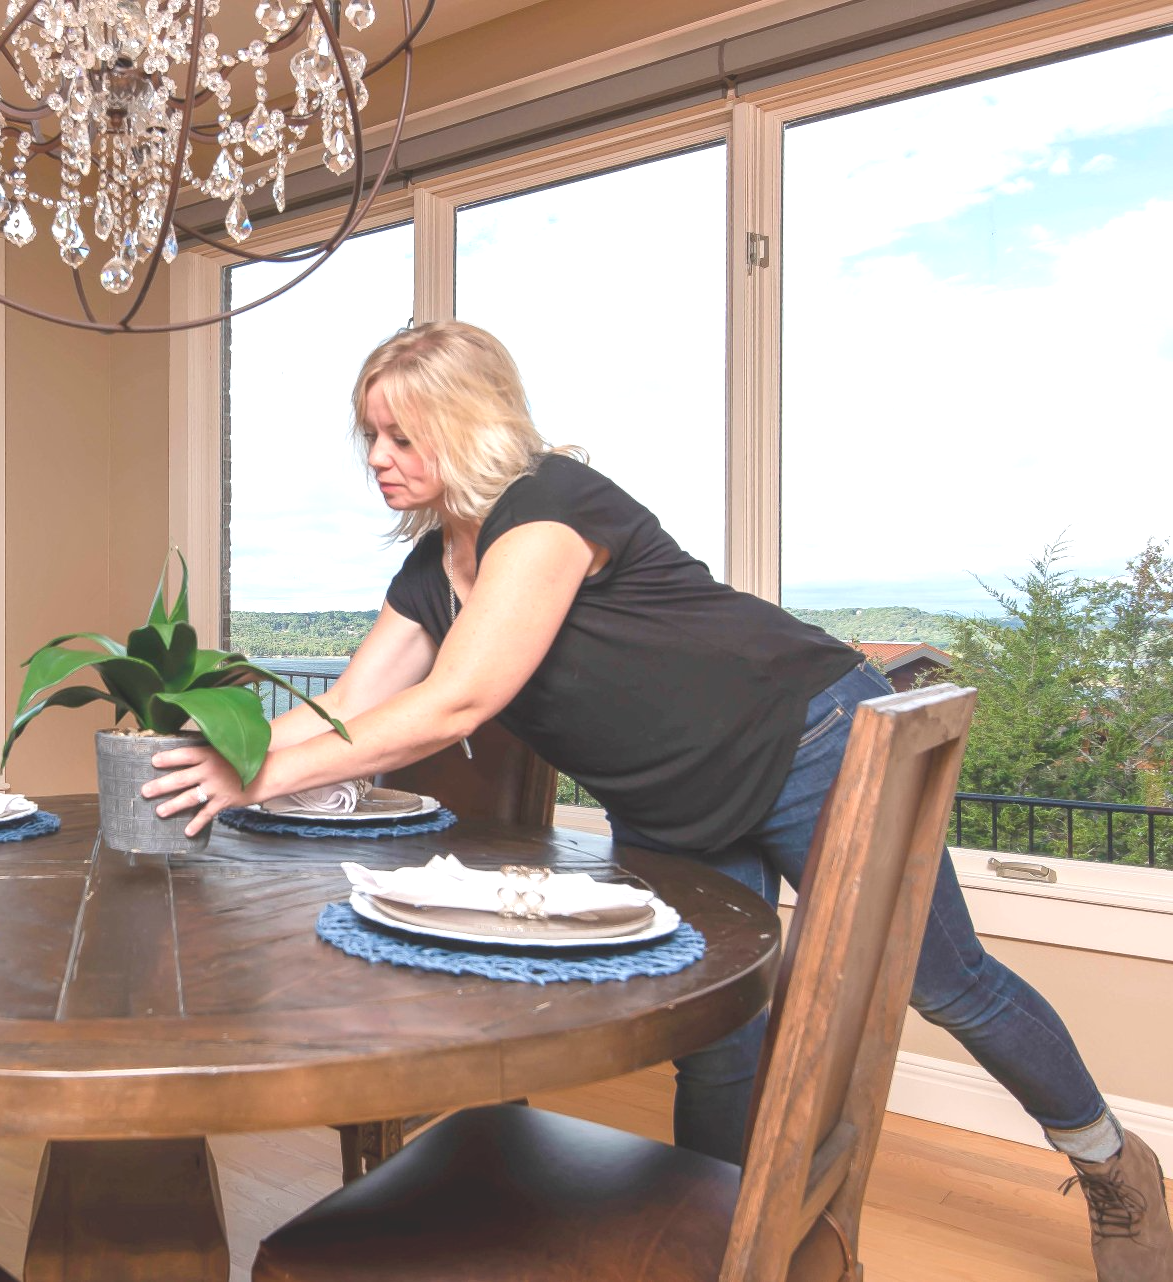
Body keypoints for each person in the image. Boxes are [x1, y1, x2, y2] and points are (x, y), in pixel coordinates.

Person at [143, 320, 1170, 1281]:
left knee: (950, 983)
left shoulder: (551, 505)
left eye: (401, 432)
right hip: (672, 802)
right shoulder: (429, 569)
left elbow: (462, 696)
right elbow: (353, 713)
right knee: (716, 1035)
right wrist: (215, 762)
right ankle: (733, 1236)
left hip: (803, 732)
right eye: (370, 433)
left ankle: (1113, 1165)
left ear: (470, 424)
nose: (378, 455)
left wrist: (253, 771)